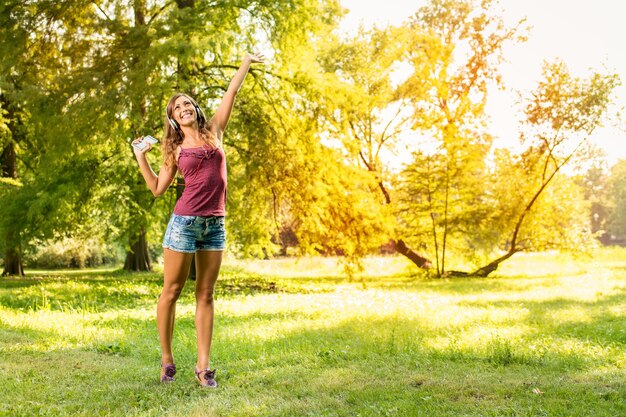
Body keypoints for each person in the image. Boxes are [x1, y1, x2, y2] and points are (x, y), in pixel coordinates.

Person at [132, 52, 264, 388]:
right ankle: (167, 361)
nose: (184, 108)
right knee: (172, 291)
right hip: (184, 223)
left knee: (206, 294)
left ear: (195, 109)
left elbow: (231, 93)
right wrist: (140, 158)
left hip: (214, 224)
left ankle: (203, 367)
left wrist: (245, 62)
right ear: (174, 119)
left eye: (187, 103)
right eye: (177, 108)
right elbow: (158, 189)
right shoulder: (173, 148)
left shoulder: (214, 130)